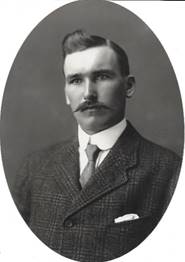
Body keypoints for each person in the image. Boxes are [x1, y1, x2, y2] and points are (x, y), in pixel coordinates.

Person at [13, 30, 181, 262]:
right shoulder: (34, 168)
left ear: (129, 86)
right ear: (65, 93)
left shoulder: (169, 171)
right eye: (76, 80)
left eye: (102, 77)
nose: (88, 94)